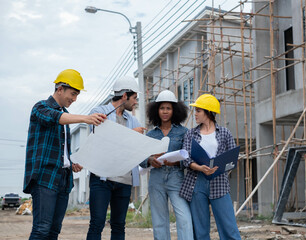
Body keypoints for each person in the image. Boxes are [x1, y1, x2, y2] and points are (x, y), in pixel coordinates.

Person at [23, 69, 107, 239]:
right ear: (60, 89)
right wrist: (86, 118)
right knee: (41, 229)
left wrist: (70, 161)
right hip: (45, 177)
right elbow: (54, 117)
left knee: (54, 231)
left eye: (77, 95)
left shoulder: (66, 116)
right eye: (73, 94)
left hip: (63, 178)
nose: (74, 99)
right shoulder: (40, 107)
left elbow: (61, 147)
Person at [86, 76, 146, 240]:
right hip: (102, 179)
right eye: (134, 98)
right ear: (125, 95)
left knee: (119, 225)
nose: (135, 102)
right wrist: (132, 135)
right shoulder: (98, 113)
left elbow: (134, 148)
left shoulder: (132, 120)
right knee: (97, 223)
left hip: (124, 180)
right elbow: (103, 139)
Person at [179, 94, 241, 240]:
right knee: (200, 231)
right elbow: (185, 158)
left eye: (198, 111)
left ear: (208, 112)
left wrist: (221, 168)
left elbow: (233, 157)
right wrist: (200, 168)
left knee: (229, 227)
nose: (195, 114)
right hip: (197, 183)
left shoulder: (224, 133)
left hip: (219, 181)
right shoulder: (191, 134)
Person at [140, 90, 193, 240]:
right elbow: (141, 158)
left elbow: (189, 156)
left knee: (184, 219)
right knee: (159, 221)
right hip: (156, 179)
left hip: (176, 178)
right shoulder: (150, 135)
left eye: (168, 108)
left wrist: (177, 161)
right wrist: (150, 160)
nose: (165, 111)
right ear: (156, 110)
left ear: (174, 110)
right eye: (162, 108)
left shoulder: (184, 132)